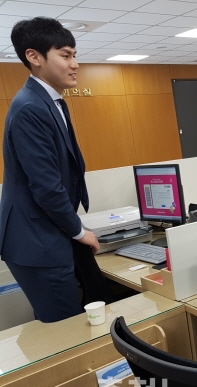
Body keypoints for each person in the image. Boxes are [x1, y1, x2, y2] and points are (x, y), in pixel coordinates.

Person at [0, 17, 100, 323]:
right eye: (65, 55)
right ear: (34, 56)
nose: (75, 64)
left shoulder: (48, 100)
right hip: (36, 241)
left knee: (74, 311)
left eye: (74, 55)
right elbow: (46, 186)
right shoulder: (30, 107)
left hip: (45, 232)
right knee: (65, 327)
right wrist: (79, 232)